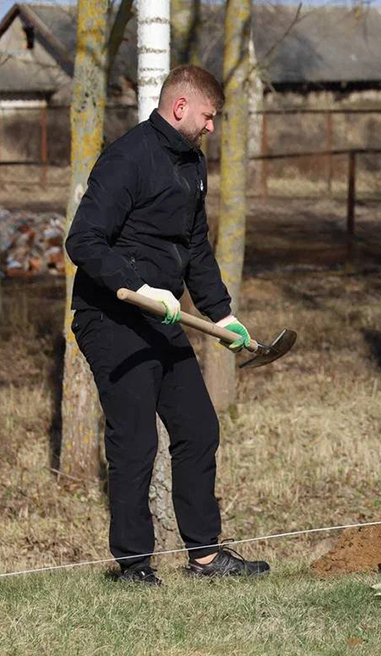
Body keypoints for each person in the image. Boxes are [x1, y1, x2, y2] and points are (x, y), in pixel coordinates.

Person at [65, 65, 269, 584]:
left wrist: (222, 313)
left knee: (198, 428)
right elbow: (83, 240)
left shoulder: (192, 164)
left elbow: (195, 246)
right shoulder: (127, 158)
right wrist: (137, 284)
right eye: (208, 116)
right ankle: (133, 566)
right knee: (135, 441)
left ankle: (205, 558)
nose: (211, 127)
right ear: (180, 107)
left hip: (161, 317)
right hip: (111, 316)